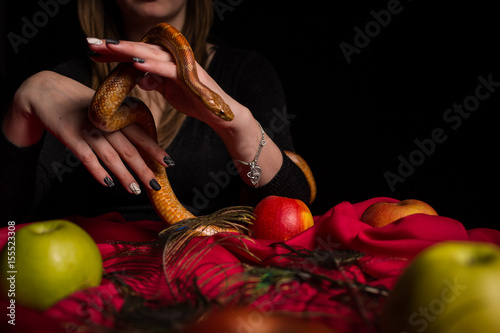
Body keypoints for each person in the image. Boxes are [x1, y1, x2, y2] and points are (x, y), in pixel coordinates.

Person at [0, 0, 311, 224]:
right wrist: (23, 107)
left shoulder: (246, 72)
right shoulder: (63, 86)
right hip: (102, 277)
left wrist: (238, 125)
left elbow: (295, 210)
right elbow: (7, 220)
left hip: (212, 268)